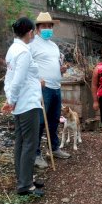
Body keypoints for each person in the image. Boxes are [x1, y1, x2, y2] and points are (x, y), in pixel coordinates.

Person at [1, 17, 44, 196]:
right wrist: (11, 101)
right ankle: (26, 185)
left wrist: (10, 99)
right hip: (27, 104)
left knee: (21, 142)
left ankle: (23, 178)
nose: (33, 33)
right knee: (30, 144)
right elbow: (17, 80)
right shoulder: (23, 52)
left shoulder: (13, 49)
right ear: (29, 32)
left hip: (20, 103)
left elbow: (8, 79)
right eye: (33, 31)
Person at [30, 12, 70, 169]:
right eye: (44, 26)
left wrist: (61, 70)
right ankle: (35, 154)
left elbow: (53, 66)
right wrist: (34, 82)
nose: (48, 29)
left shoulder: (53, 46)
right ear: (38, 28)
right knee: (40, 122)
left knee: (54, 121)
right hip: (42, 89)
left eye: (50, 26)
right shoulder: (32, 44)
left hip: (56, 87)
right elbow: (27, 66)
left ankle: (54, 149)